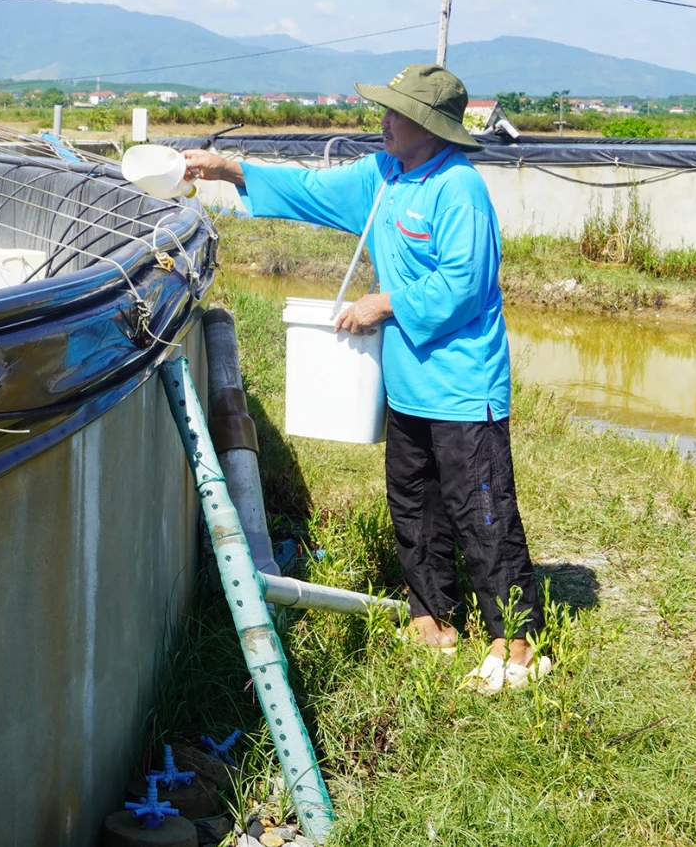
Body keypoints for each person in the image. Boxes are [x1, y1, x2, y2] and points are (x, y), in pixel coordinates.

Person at [183, 64, 548, 692]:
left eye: (395, 113)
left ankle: (515, 643)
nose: (382, 121)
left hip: (463, 386)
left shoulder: (457, 188)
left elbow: (464, 283)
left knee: (480, 509)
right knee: (415, 501)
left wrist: (382, 303)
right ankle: (432, 618)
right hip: (407, 383)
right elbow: (307, 187)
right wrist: (224, 169)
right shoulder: (384, 179)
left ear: (428, 127)